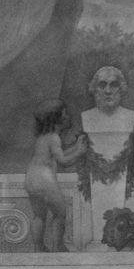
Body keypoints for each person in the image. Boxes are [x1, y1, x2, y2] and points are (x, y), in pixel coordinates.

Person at [24, 100, 86, 252]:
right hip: (45, 179)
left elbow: (58, 154)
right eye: (65, 114)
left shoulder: (43, 138)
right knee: (60, 213)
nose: (69, 116)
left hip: (31, 178)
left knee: (39, 215)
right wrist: (79, 152)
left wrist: (76, 147)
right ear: (57, 119)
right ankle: (58, 245)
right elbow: (63, 161)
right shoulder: (54, 138)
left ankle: (38, 247)